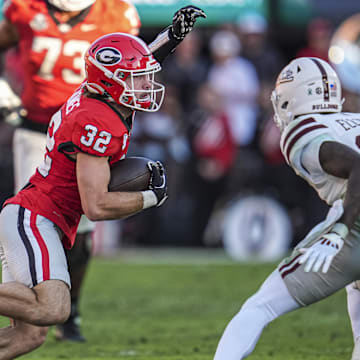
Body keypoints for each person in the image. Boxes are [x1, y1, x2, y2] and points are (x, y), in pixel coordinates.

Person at [0, 6, 206, 359]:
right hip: (34, 219)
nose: (147, 84)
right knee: (54, 309)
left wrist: (170, 40)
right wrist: (151, 198)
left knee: (29, 337)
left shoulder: (98, 89)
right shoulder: (98, 121)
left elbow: (133, 62)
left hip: (44, 219)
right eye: (137, 78)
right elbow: (95, 206)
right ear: (113, 82)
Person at [0, 0, 141, 342]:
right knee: (33, 218)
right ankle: (32, 310)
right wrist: (4, 90)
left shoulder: (115, 12)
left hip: (89, 128)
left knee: (80, 230)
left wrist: (168, 41)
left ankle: (67, 309)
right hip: (38, 128)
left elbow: (133, 61)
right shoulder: (25, 8)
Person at [213, 57, 360, 360]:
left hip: (354, 226)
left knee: (260, 306)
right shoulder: (354, 119)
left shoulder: (302, 130)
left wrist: (342, 226)